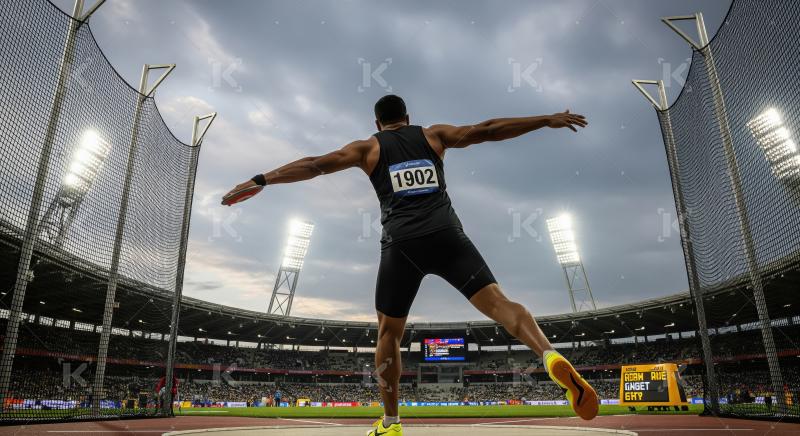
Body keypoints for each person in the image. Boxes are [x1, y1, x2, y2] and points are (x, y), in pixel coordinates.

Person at [223, 95, 599, 435]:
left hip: (401, 245)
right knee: (501, 305)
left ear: (377, 124)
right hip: (448, 235)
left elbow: (314, 165)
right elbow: (487, 130)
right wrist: (544, 119)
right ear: (408, 117)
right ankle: (549, 355)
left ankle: (391, 422)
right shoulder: (434, 136)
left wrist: (261, 180)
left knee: (388, 335)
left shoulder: (367, 148)